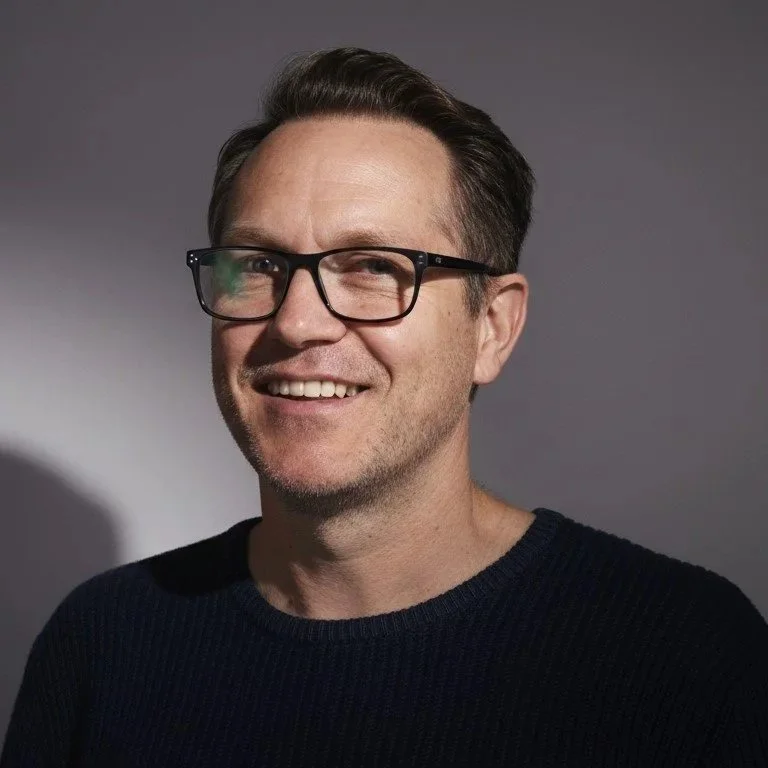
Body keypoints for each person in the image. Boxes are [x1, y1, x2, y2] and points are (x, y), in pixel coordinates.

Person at [2, 47, 766, 767]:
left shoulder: (688, 652)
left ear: (492, 328)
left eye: (372, 266)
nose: (297, 322)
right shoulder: (103, 645)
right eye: (260, 264)